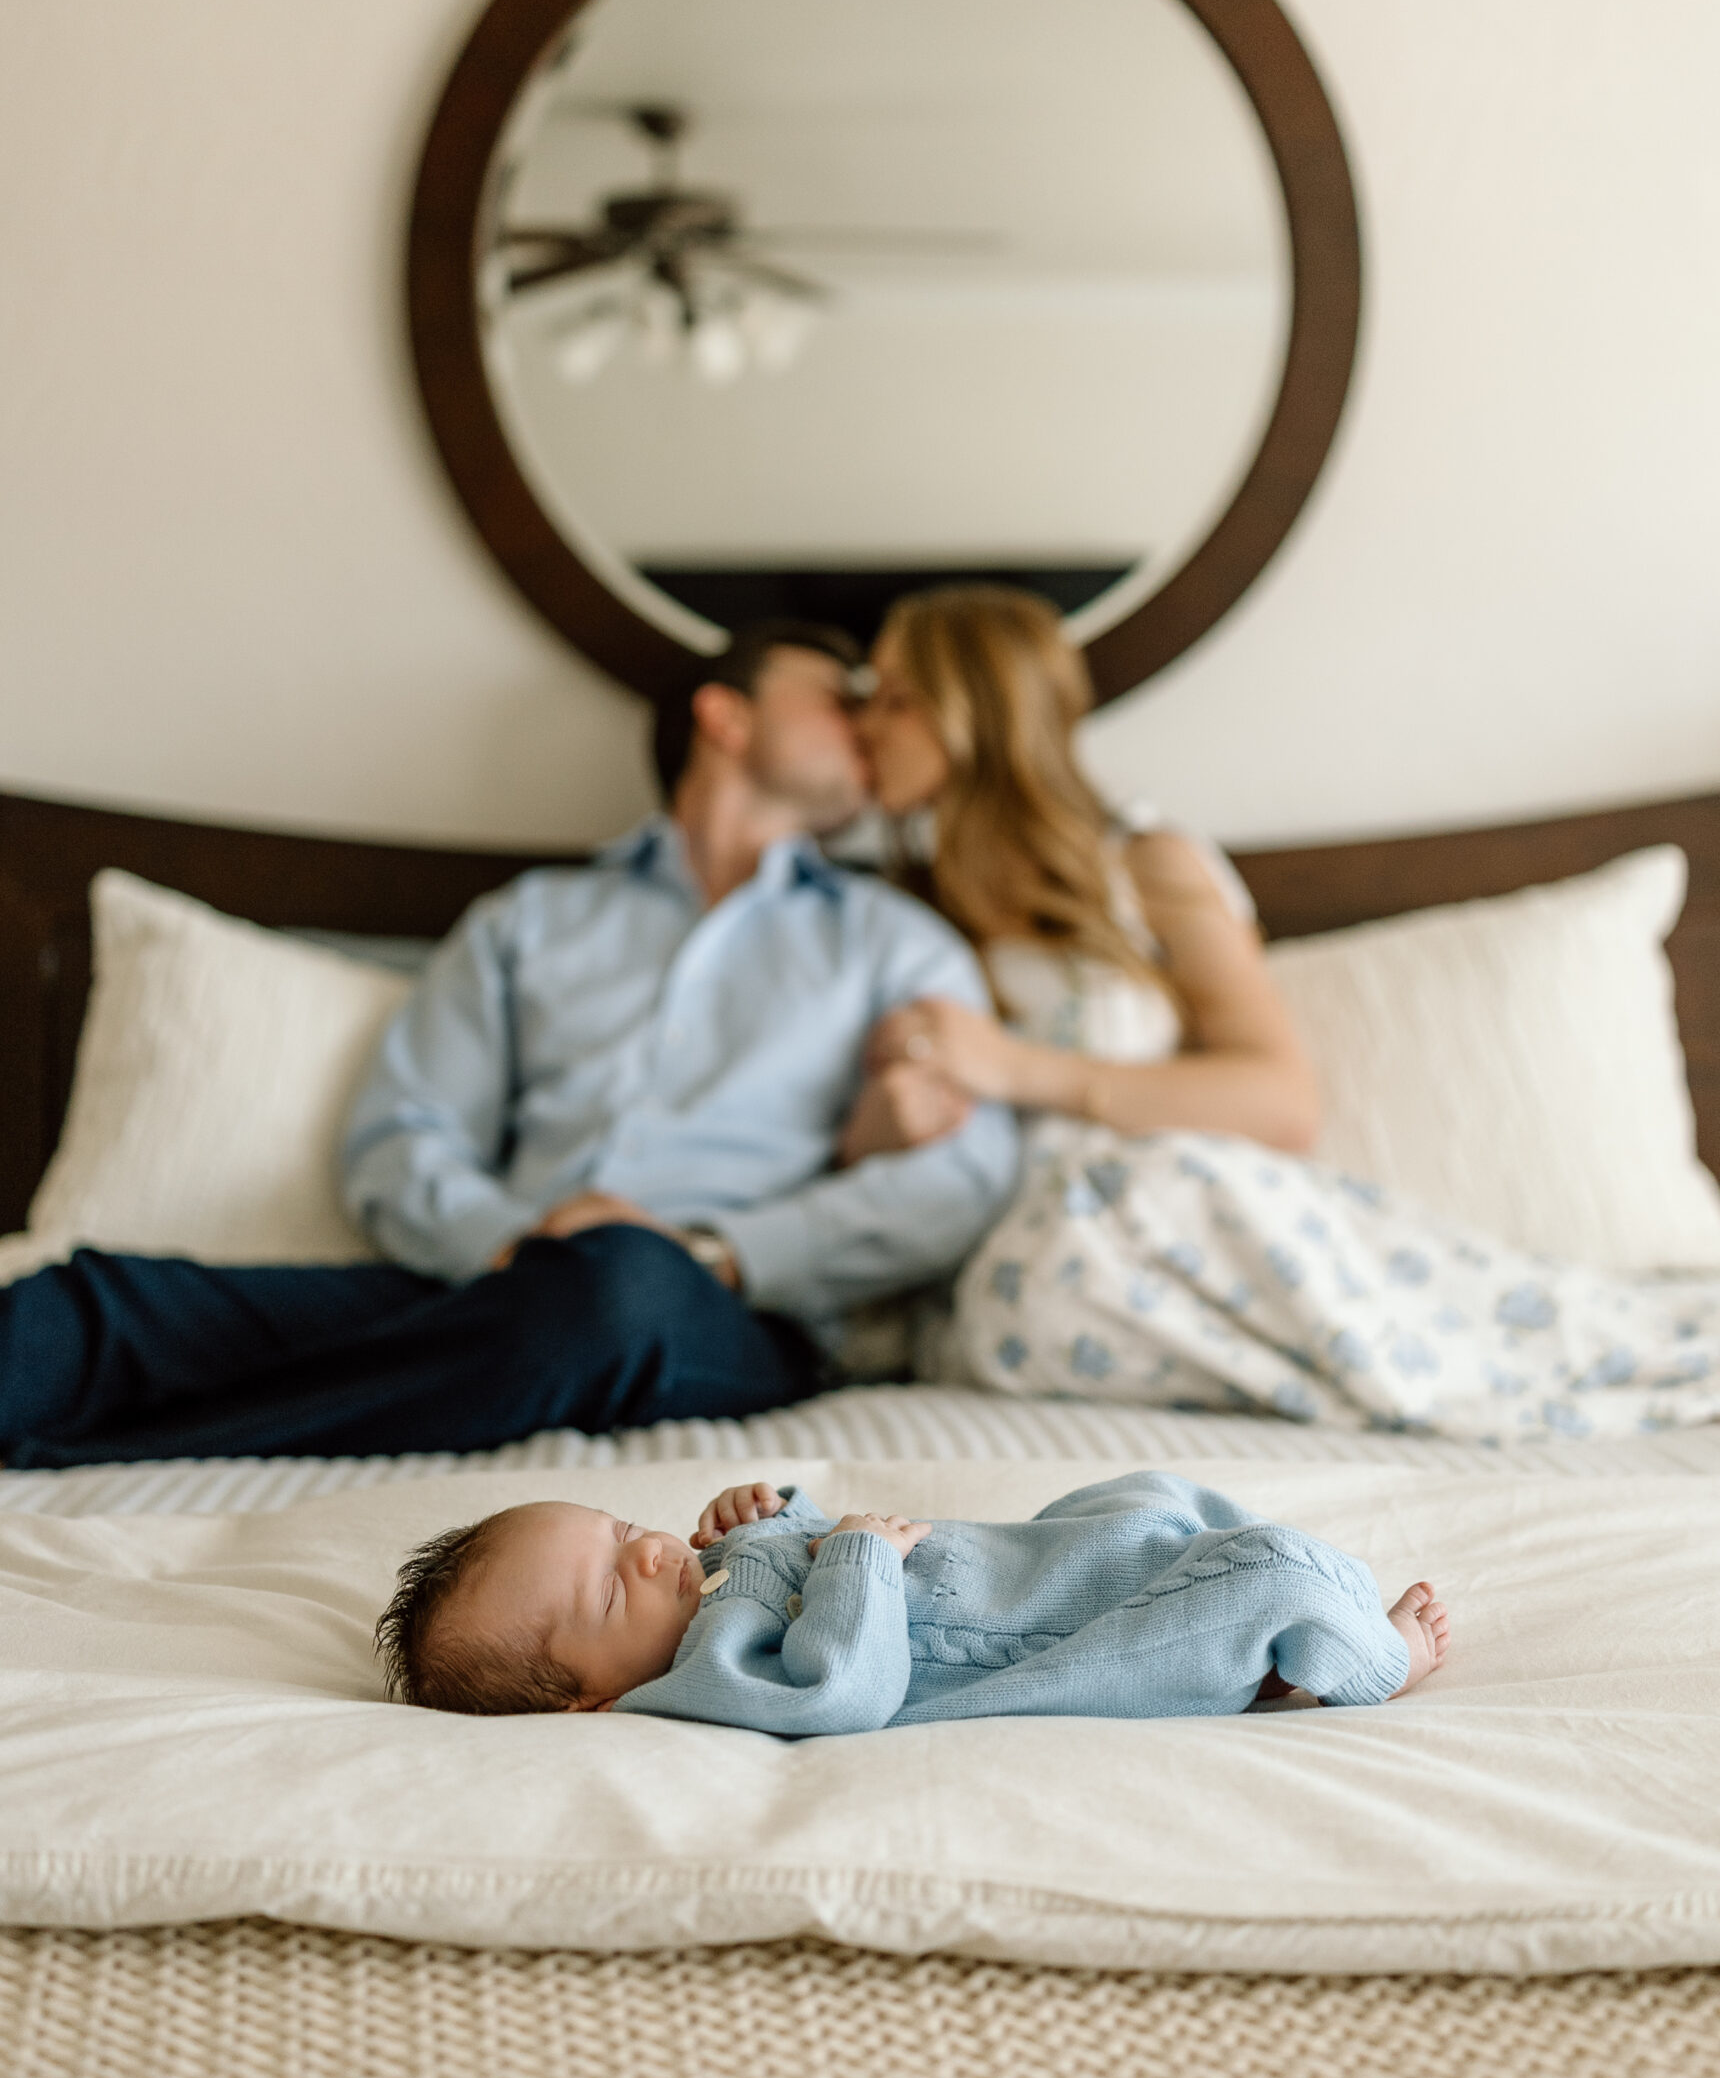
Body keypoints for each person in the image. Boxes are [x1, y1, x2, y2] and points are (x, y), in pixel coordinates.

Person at [0, 623, 1020, 1469]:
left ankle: (107, 1452)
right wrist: (510, 1241)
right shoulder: (529, 920)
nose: (865, 719)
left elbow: (961, 1178)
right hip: (492, 1279)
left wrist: (712, 1252)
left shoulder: (894, 942)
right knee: (84, 1303)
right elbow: (400, 1137)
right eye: (837, 695)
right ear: (725, 713)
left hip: (709, 1307)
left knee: (613, 1285)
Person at [838, 586, 1720, 1439]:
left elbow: (1277, 1101)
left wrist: (1016, 1069)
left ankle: (1436, 1360)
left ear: (977, 716)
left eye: (896, 699)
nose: (866, 724)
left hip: (1162, 1221)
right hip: (1020, 1284)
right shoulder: (896, 914)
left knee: (1145, 1207)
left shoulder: (1143, 868)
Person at [374, 1471, 1451, 1726]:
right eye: (615, 1586)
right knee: (1264, 1569)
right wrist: (850, 1559)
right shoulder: (709, 1675)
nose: (653, 1551)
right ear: (588, 1701)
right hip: (1048, 1629)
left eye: (620, 1530)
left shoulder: (702, 1592)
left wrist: (766, 1514)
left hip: (1033, 1559)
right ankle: (1364, 1659)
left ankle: (1253, 1665)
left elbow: (780, 1557)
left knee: (1145, 1495)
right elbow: (843, 1684)